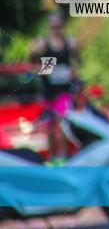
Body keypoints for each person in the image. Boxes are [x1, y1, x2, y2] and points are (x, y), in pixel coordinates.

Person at [29, 10, 80, 159]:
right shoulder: (42, 45)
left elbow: (77, 62)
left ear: (62, 26)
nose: (56, 30)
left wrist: (73, 72)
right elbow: (32, 66)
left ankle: (63, 157)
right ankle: (52, 158)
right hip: (48, 91)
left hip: (64, 90)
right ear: (48, 27)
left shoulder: (70, 43)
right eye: (53, 27)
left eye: (58, 26)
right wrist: (47, 70)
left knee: (63, 124)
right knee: (50, 126)